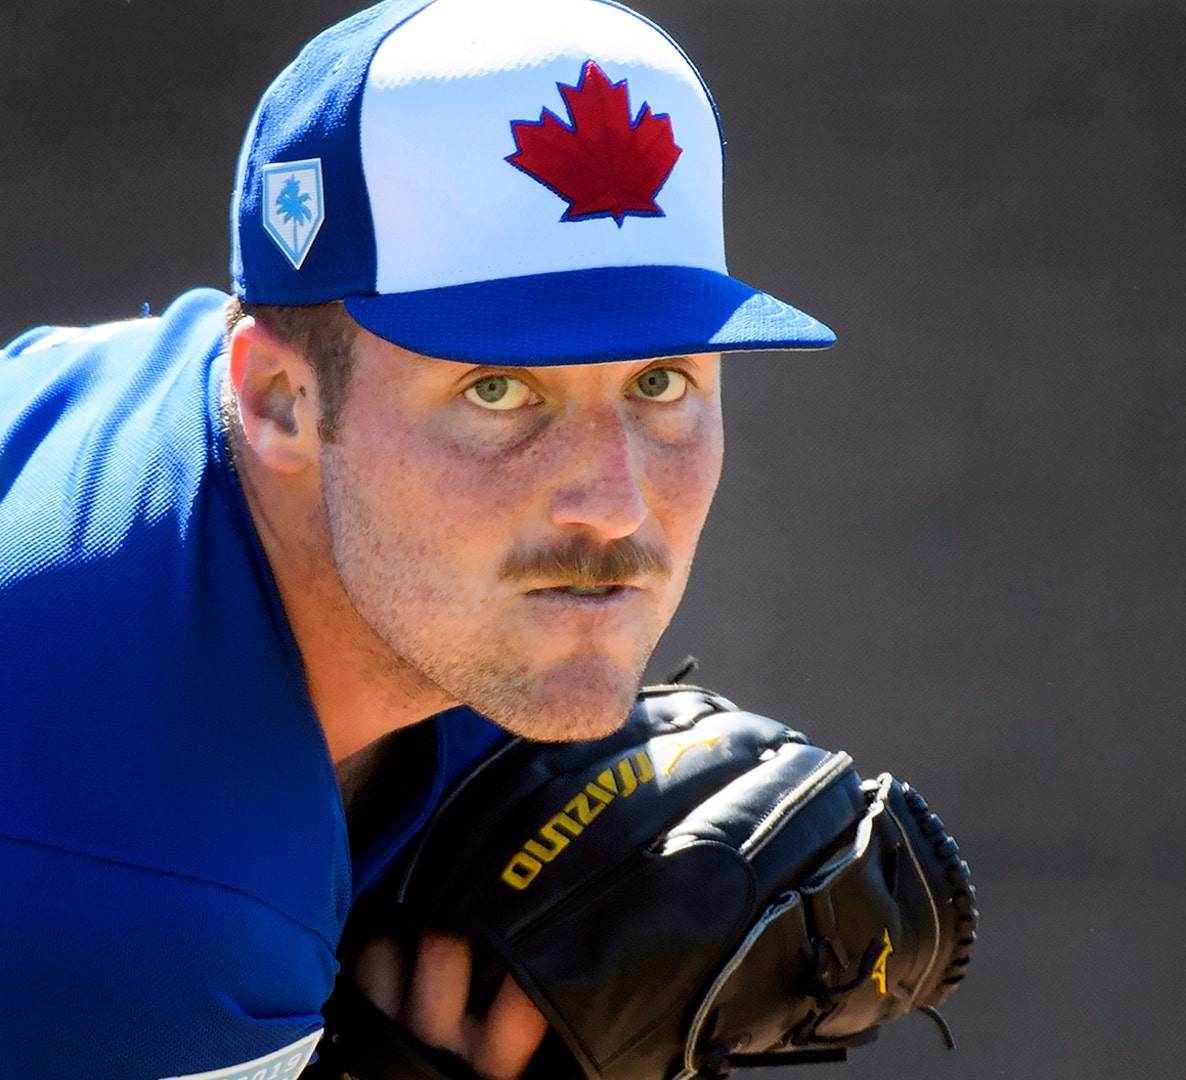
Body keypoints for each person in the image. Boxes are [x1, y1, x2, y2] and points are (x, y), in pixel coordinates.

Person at [0, 1, 834, 1077]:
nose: (615, 503)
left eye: (660, 381)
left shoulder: (189, 429)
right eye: (498, 391)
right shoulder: (146, 892)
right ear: (281, 402)